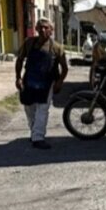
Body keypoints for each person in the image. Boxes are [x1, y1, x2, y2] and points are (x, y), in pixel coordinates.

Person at [15, 18, 68, 150]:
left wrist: (59, 82)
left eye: (46, 27)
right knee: (28, 107)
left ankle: (38, 137)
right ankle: (34, 131)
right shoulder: (29, 43)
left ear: (51, 30)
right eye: (40, 27)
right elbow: (19, 60)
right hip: (30, 80)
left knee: (42, 109)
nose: (43, 30)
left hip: (47, 82)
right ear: (36, 29)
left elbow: (64, 68)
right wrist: (18, 78)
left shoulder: (57, 48)